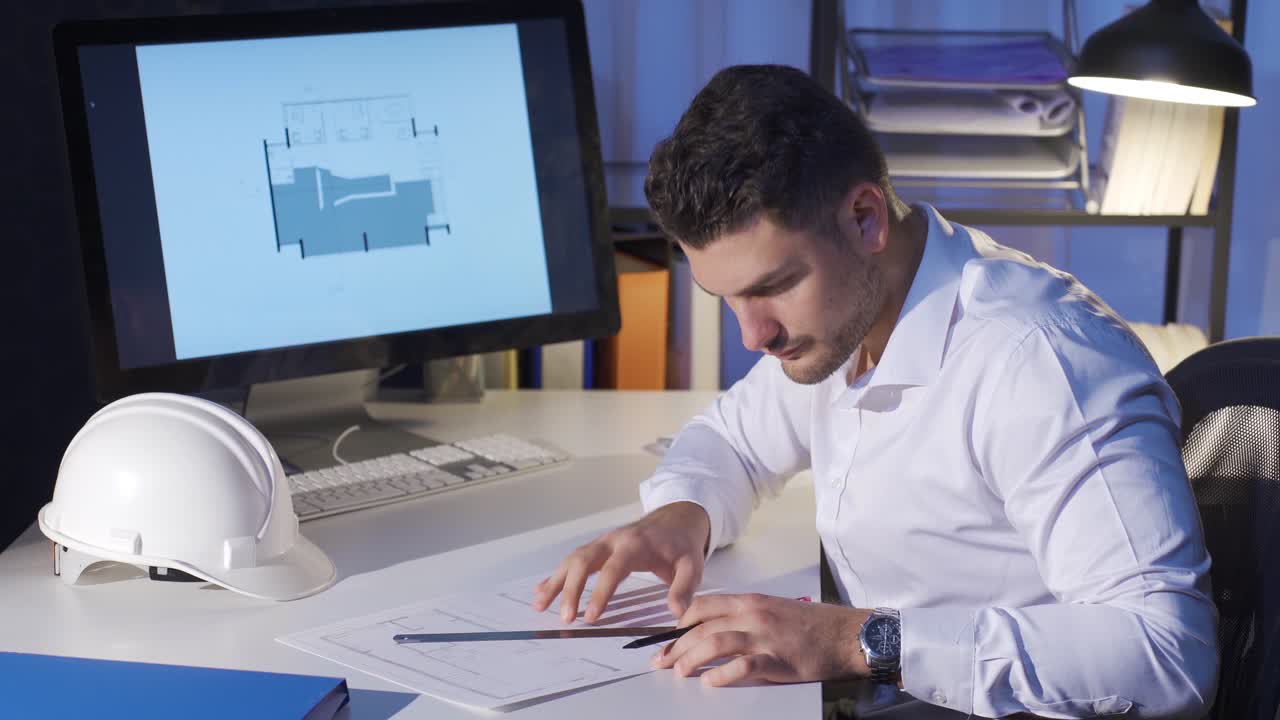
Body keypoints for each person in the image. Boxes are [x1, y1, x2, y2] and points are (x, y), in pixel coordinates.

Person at [532, 64, 1218, 718]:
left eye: (772, 287)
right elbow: (732, 439)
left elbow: (1166, 653)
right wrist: (683, 514)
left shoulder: (1039, 360)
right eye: (727, 298)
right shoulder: (840, 321)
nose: (752, 335)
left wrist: (856, 640)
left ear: (865, 218)